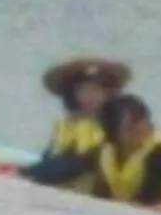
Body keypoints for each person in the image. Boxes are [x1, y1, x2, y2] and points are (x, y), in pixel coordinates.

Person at [20, 55, 131, 192]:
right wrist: (30, 171)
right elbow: (50, 157)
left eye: (96, 90)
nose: (90, 97)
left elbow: (84, 164)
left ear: (107, 94)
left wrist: (33, 174)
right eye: (84, 91)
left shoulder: (113, 125)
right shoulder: (66, 124)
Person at [95, 94, 161, 207]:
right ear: (114, 132)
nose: (142, 126)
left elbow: (147, 202)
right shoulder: (105, 152)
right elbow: (99, 198)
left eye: (143, 118)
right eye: (133, 123)